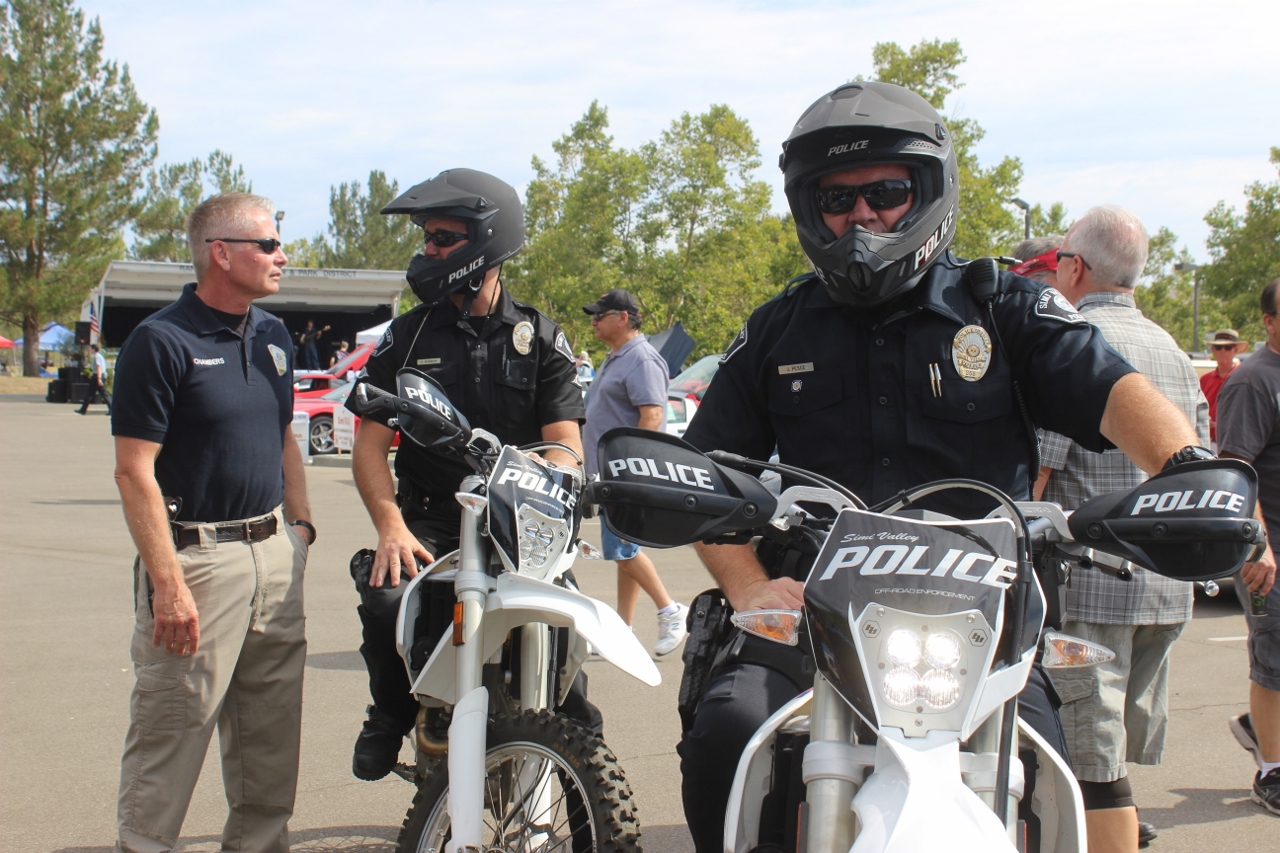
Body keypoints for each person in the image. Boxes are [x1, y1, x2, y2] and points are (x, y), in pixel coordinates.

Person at [677, 81, 1205, 853]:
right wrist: (748, 584)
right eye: (837, 199)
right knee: (727, 736)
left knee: (1048, 773)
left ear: (927, 191)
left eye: (886, 192)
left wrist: (1188, 466)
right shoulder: (779, 328)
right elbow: (702, 473)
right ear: (810, 209)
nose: (862, 215)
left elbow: (1113, 390)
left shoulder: (1004, 308)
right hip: (814, 619)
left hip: (981, 620)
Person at [345, 168, 597, 782]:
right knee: (385, 601)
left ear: (487, 240)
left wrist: (556, 477)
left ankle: (585, 773)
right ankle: (390, 711)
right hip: (430, 521)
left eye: (443, 238)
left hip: (518, 523)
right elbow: (369, 446)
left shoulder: (542, 337)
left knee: (570, 639)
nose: (428, 251)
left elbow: (566, 442)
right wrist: (391, 526)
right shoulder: (406, 336)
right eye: (427, 238)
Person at [109, 192, 313, 853]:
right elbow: (134, 471)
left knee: (270, 741)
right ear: (220, 253)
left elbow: (284, 435)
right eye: (268, 244)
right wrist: (168, 583)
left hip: (273, 554)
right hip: (196, 562)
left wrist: (300, 528)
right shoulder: (161, 341)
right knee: (173, 731)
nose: (281, 255)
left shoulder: (274, 334)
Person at [1035, 205, 1209, 853]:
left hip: (1093, 584)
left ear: (1076, 266)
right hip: (1166, 584)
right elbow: (1201, 457)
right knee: (1108, 751)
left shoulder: (1073, 342)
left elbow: (1041, 473)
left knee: (1091, 762)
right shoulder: (1172, 349)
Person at [582, 288, 689, 655]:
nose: (594, 322)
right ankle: (623, 630)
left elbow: (652, 416)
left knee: (622, 550)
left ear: (623, 318)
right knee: (623, 549)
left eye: (600, 315)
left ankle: (670, 610)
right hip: (608, 473)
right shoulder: (617, 357)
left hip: (624, 473)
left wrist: (633, 470)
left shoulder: (642, 359)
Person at [1215, 278, 1280, 816]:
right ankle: (1272, 771)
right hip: (1269, 552)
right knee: (1274, 656)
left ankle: (1260, 728)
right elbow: (1236, 472)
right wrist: (1259, 547)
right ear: (1269, 322)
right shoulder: (1254, 382)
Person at [1201, 328, 1250, 450]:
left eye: (1228, 347)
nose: (1223, 351)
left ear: (1235, 350)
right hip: (1209, 443)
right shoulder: (1205, 380)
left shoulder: (1245, 379)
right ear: (1213, 350)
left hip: (1236, 443)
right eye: (1218, 347)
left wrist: (1224, 424)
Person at [77, 342, 112, 415]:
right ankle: (112, 409)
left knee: (91, 393)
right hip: (98, 375)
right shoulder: (98, 356)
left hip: (98, 376)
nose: (89, 350)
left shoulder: (97, 356)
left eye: (90, 349)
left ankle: (83, 410)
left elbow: (99, 367)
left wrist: (98, 378)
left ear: (93, 349)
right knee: (103, 393)